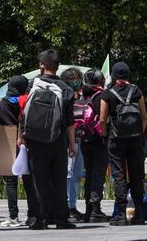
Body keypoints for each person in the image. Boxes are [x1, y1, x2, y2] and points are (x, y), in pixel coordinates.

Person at [18, 49, 77, 230]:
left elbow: (23, 112)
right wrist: (72, 144)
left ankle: (40, 218)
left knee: (38, 179)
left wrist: (21, 136)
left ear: (42, 66)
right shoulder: (66, 88)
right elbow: (69, 121)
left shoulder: (32, 84)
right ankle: (61, 218)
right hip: (58, 140)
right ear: (58, 67)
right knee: (59, 179)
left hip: (35, 139)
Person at [99, 61, 147, 226]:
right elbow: (144, 117)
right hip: (135, 140)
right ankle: (139, 214)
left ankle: (119, 213)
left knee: (119, 175)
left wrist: (106, 134)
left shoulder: (107, 94)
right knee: (136, 175)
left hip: (116, 140)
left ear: (113, 75)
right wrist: (139, 133)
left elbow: (102, 119)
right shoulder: (136, 91)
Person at [0, 74, 37, 227]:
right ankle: (32, 214)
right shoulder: (26, 101)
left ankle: (13, 216)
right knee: (29, 180)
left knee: (10, 181)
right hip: (26, 143)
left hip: (8, 142)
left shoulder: (3, 103)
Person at [79, 68, 109, 222]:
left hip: (84, 140)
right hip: (99, 141)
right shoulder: (102, 95)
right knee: (97, 174)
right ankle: (95, 210)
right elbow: (103, 120)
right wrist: (105, 135)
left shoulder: (83, 96)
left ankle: (88, 209)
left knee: (89, 174)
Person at [62, 67, 86, 222]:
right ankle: (67, 207)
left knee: (76, 174)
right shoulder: (66, 97)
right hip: (69, 142)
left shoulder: (77, 97)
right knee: (68, 174)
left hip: (77, 141)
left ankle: (72, 206)